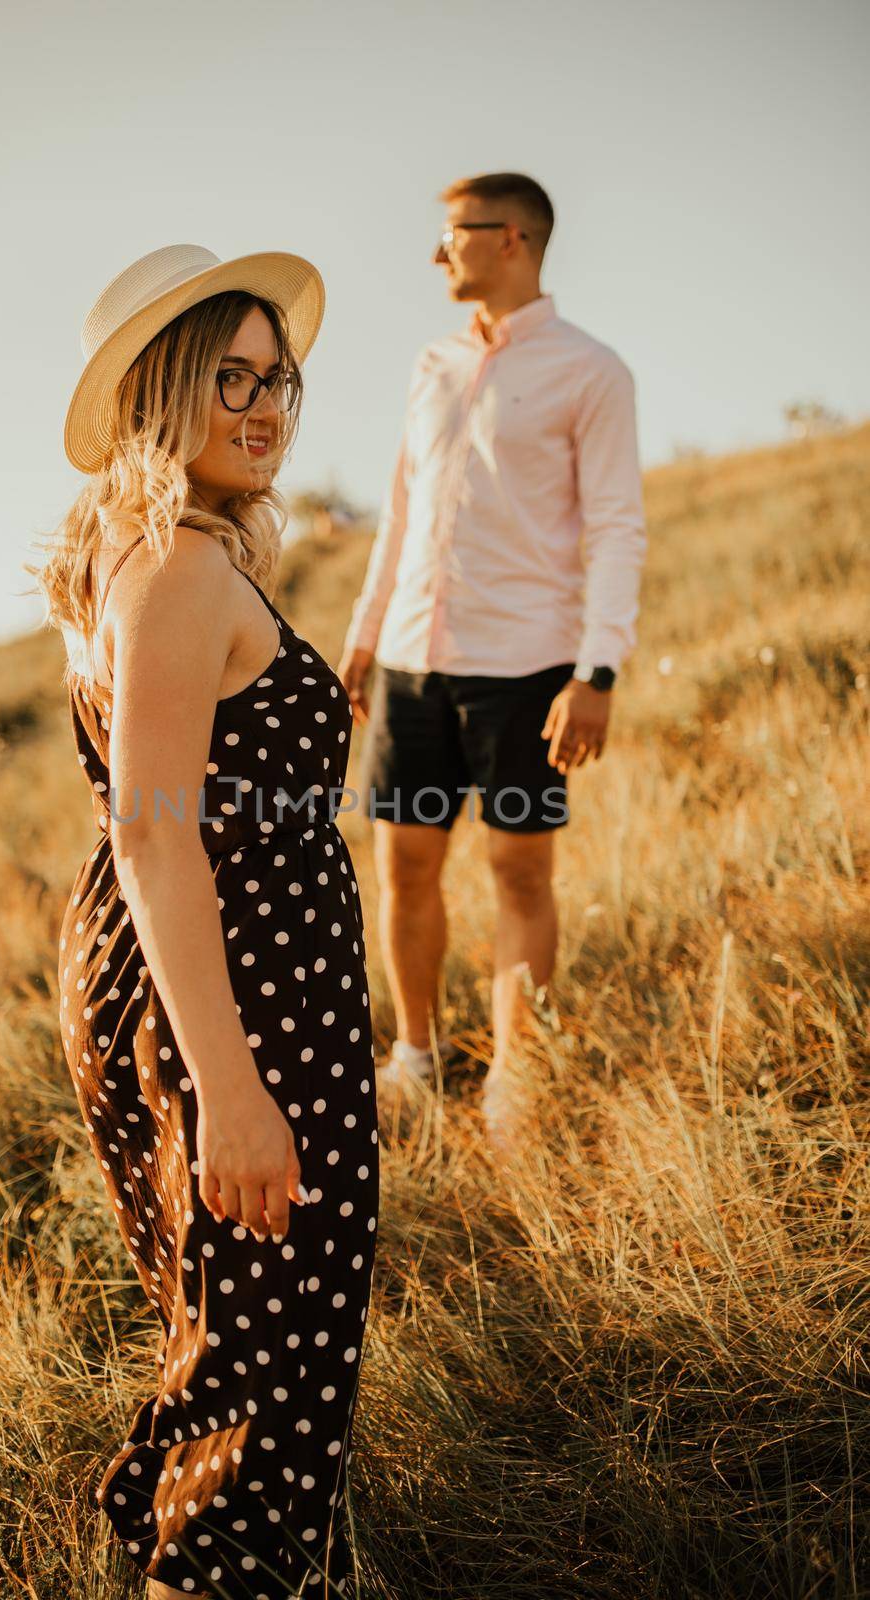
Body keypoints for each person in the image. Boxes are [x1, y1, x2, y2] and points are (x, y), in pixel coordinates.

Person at [36, 244, 378, 1600]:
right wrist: (232, 1093)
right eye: (228, 378)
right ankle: (213, 1568)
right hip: (231, 991)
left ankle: (180, 1543)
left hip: (193, 965)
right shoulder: (175, 568)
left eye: (278, 379)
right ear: (160, 393)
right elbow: (153, 827)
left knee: (224, 1322)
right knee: (271, 1341)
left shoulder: (152, 558)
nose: (266, 406)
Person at [337, 173, 647, 1144]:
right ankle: (417, 1058)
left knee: (519, 873)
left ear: (511, 238)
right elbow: (399, 512)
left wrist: (597, 673)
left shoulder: (592, 372)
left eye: (453, 236)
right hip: (408, 662)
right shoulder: (430, 363)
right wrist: (360, 636)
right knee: (405, 869)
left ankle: (515, 1074)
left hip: (525, 671)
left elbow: (618, 528)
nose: (439, 254)